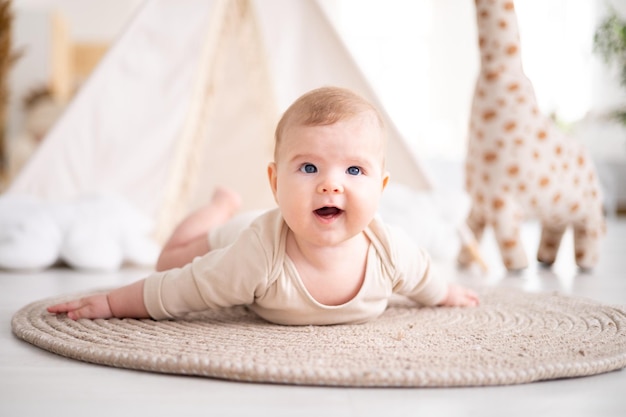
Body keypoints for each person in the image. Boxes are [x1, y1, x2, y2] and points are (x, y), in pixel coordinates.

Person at [48, 86, 479, 325]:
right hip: (237, 232)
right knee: (167, 261)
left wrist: (446, 293)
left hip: (260, 230)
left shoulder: (389, 249)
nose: (331, 185)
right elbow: (181, 288)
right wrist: (110, 304)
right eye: (309, 167)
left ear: (381, 188)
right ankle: (218, 208)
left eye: (353, 171)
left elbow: (423, 276)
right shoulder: (255, 255)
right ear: (275, 182)